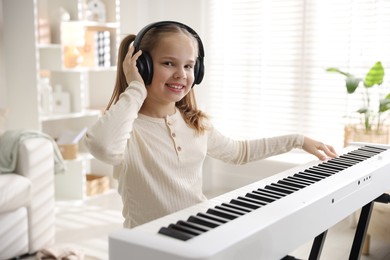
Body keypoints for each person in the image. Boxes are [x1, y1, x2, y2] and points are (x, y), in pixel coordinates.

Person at [83, 21, 337, 229]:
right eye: (168, 63)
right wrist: (136, 87)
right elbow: (103, 147)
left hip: (199, 231)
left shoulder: (195, 123)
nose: (181, 74)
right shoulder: (128, 128)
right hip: (150, 246)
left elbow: (240, 153)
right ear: (143, 66)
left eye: (189, 66)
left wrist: (298, 140)